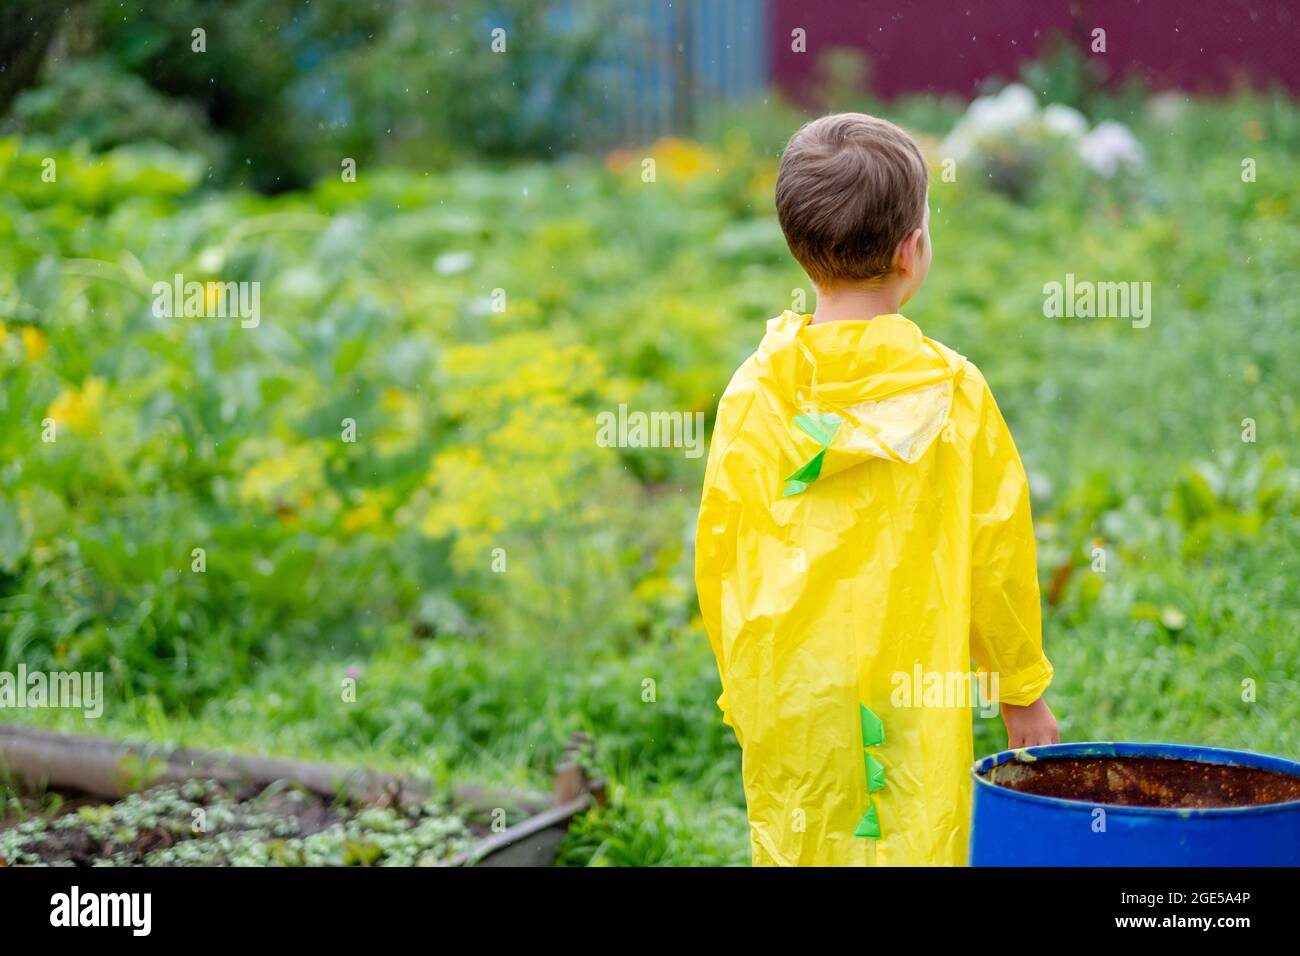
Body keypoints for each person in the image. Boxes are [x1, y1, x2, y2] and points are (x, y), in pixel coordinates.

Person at [695, 113, 1058, 866]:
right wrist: (1021, 692)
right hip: (916, 695)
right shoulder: (954, 392)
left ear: (799, 250)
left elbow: (722, 553)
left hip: (794, 692)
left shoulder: (754, 393)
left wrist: (745, 688)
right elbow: (996, 556)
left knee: (805, 838)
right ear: (910, 251)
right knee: (918, 837)